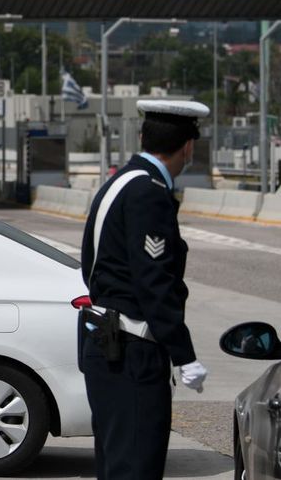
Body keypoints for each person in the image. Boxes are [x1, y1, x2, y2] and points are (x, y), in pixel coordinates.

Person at [78, 100, 210, 480]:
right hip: (132, 353)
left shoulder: (118, 183)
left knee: (117, 463)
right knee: (137, 466)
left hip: (107, 344)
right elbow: (155, 282)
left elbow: (93, 265)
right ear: (188, 147)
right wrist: (183, 355)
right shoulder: (148, 193)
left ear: (142, 137)